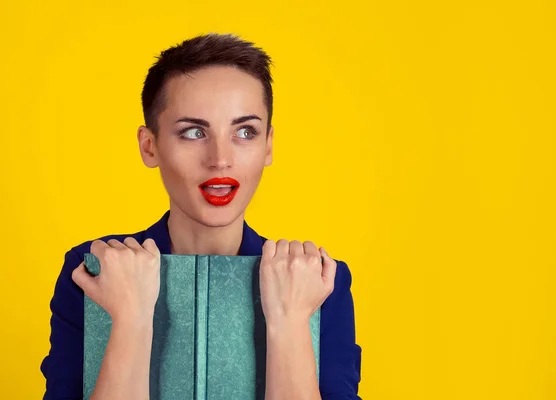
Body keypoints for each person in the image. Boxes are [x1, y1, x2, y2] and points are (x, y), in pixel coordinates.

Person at [40, 33, 362, 400]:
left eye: (245, 131)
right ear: (150, 146)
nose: (220, 159)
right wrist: (129, 322)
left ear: (268, 145)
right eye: (193, 132)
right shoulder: (91, 271)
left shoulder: (319, 281)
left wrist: (290, 326)